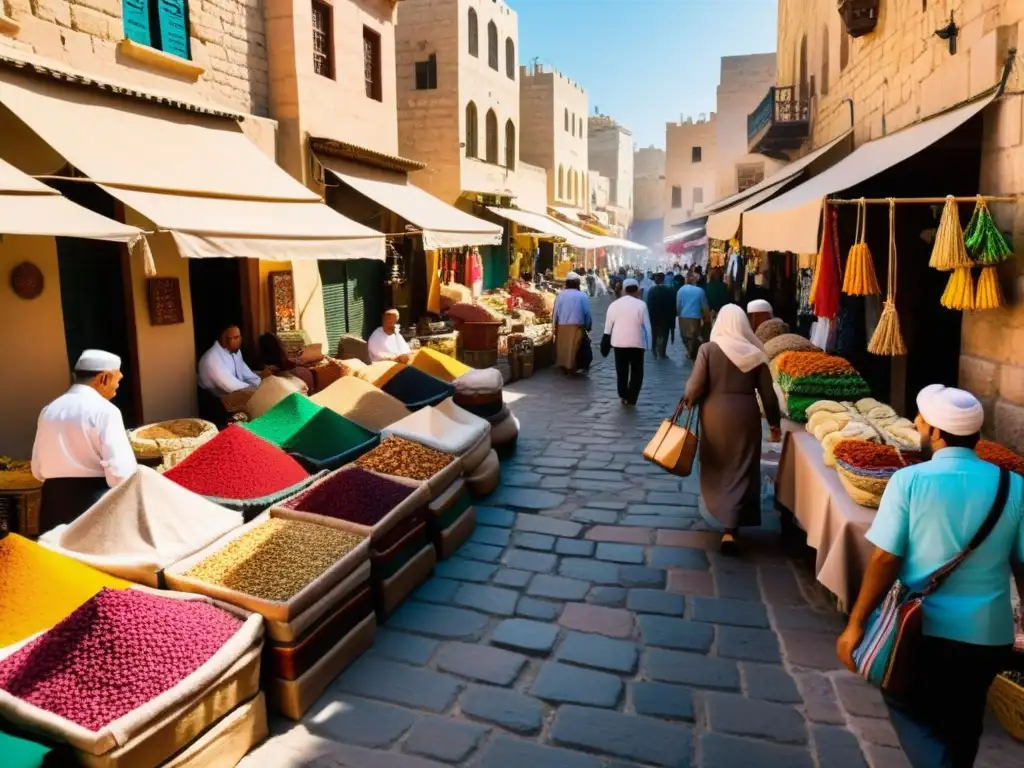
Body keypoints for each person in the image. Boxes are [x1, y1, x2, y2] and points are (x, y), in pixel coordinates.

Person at [837, 385, 1024, 768]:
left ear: (937, 433)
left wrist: (855, 623)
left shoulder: (910, 481)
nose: (918, 426)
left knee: (903, 699)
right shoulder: (1014, 485)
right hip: (989, 632)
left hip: (924, 630)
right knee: (966, 721)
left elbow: (885, 558)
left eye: (922, 422)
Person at [683, 305, 781, 554]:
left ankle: (719, 509)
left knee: (719, 464)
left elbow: (694, 388)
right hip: (745, 416)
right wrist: (774, 425)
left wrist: (689, 400)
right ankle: (731, 528)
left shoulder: (708, 350)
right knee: (741, 467)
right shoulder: (755, 354)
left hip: (714, 415)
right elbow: (769, 397)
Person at [31, 350, 138, 530]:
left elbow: (37, 469)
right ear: (103, 378)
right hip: (93, 502)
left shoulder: (49, 410)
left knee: (55, 557)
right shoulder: (105, 411)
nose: (118, 386)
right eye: (117, 380)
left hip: (53, 504)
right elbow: (120, 472)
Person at [604, 278, 651, 406]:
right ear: (637, 290)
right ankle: (632, 397)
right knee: (637, 372)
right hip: (637, 343)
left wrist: (605, 343)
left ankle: (623, 393)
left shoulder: (614, 305)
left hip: (619, 343)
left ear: (624, 290)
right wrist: (648, 345)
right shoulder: (641, 305)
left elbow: (608, 327)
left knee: (621, 371)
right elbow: (647, 327)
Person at [198, 325, 261, 396]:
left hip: (238, 394)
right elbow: (231, 386)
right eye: (236, 337)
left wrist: (259, 385)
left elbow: (247, 374)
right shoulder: (211, 358)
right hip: (219, 402)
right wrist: (258, 392)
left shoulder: (236, 352)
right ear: (224, 339)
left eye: (239, 336)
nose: (240, 339)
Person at [552, 272, 593, 374]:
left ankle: (564, 365)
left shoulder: (560, 295)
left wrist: (554, 325)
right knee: (575, 347)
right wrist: (588, 325)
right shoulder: (582, 295)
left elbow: (555, 312)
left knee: (564, 346)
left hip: (562, 326)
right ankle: (574, 366)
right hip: (577, 326)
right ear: (577, 283)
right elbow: (587, 313)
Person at [676, 274, 710, 360]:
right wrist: (706, 316)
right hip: (695, 317)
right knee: (694, 336)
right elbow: (704, 305)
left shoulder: (681, 290)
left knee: (684, 336)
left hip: (683, 316)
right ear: (695, 281)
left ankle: (689, 351)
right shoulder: (700, 291)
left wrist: (679, 314)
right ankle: (691, 352)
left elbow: (678, 305)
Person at [646, 273, 676, 360]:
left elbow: (649, 303)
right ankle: (662, 351)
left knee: (655, 333)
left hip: (654, 316)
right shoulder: (670, 290)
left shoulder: (651, 290)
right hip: (666, 316)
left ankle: (654, 349)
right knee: (665, 334)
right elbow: (673, 303)